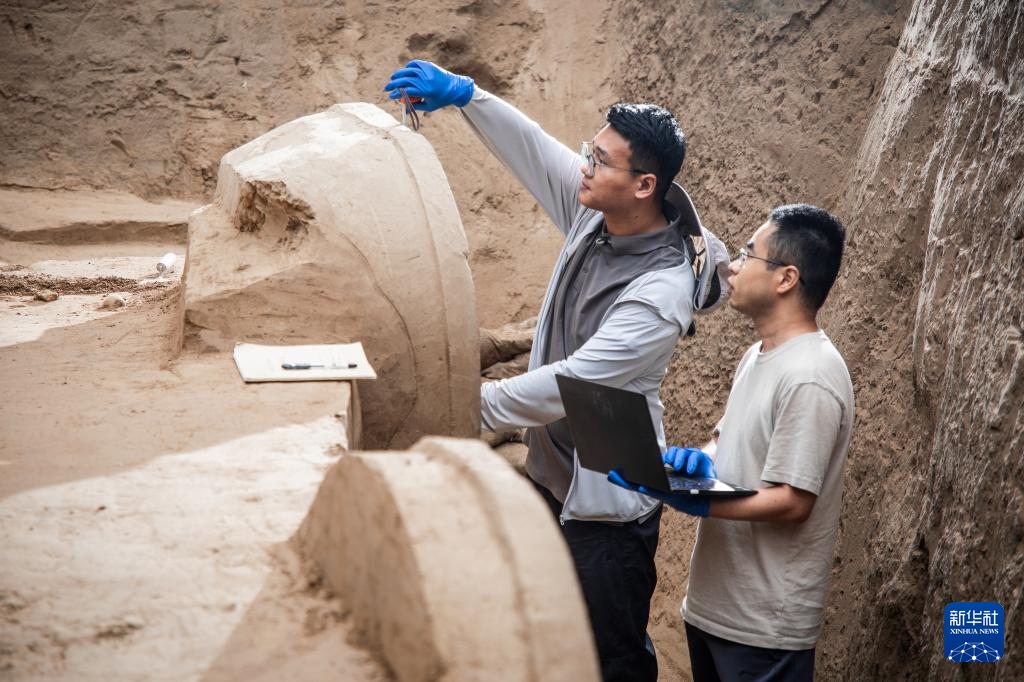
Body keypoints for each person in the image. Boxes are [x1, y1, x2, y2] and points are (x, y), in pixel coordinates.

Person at [384, 60, 730, 681]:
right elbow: (532, 150)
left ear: (645, 185)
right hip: (552, 480)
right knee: (547, 642)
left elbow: (570, 386)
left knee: (609, 658)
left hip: (605, 514)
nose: (584, 166)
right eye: (589, 152)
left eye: (599, 159)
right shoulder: (600, 210)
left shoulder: (661, 293)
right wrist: (466, 95)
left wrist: (457, 404)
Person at [610, 204, 854, 681]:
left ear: (786, 278)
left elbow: (793, 501)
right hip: (713, 610)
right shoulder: (756, 355)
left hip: (763, 629)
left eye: (747, 254)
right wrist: (692, 466)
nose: (734, 267)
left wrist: (703, 503)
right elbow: (724, 442)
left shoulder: (812, 374)